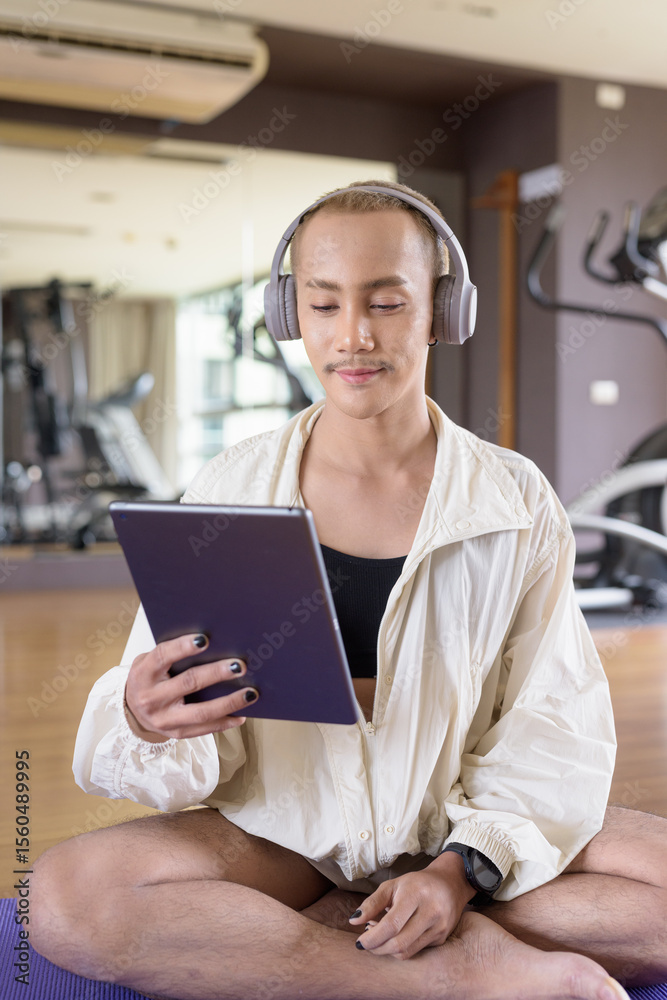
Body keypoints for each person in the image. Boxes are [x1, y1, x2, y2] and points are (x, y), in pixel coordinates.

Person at [30, 180, 666, 1000]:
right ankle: (454, 978)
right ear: (294, 315)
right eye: (325, 306)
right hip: (281, 837)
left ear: (442, 311)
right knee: (67, 897)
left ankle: (324, 932)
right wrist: (144, 716)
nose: (354, 335)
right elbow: (167, 700)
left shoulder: (515, 499)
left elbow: (553, 720)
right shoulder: (232, 486)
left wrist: (458, 871)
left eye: (387, 303)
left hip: (458, 821)